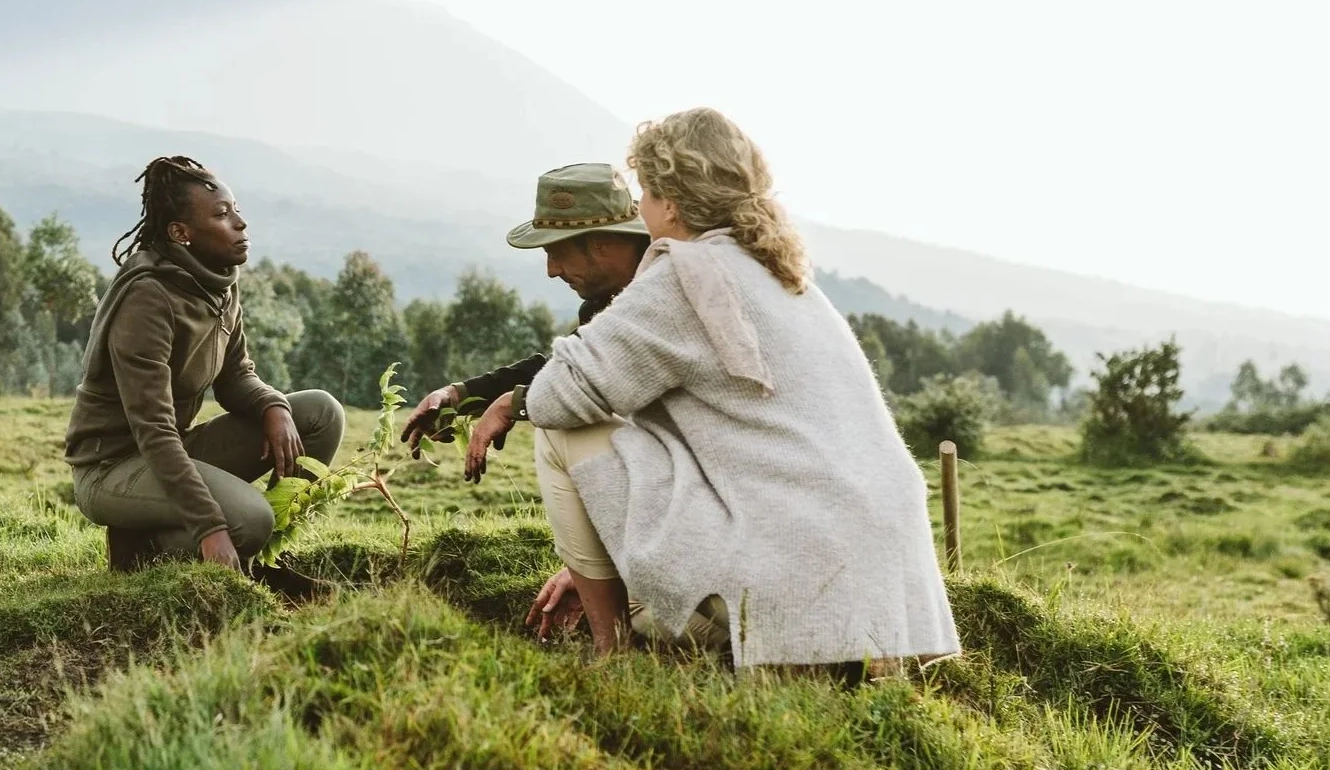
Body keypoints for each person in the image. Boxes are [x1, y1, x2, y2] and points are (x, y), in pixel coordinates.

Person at [520, 109, 961, 675]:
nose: (642, 209)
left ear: (670, 203)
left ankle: (613, 659)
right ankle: (833, 657)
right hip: (879, 568)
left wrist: (511, 403)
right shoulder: (781, 272)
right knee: (664, 622)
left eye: (646, 193)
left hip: (796, 552)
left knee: (560, 435)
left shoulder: (686, 274)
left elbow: (553, 397)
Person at [65, 155, 344, 596]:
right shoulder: (147, 297)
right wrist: (211, 524)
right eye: (221, 214)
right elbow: (154, 430)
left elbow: (236, 377)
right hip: (113, 466)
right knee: (248, 519)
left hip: (171, 448)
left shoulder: (218, 283)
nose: (240, 223)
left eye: (236, 209)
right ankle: (144, 549)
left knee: (319, 414)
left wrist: (272, 405)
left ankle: (265, 558)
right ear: (181, 233)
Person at [401, 163, 651, 480]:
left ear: (600, 242)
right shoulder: (605, 302)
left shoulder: (663, 289)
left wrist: (516, 404)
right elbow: (562, 367)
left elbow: (610, 378)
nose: (552, 270)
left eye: (557, 253)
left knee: (558, 432)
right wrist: (458, 395)